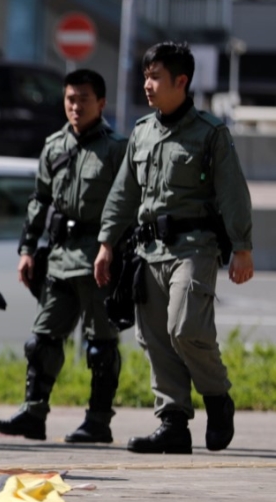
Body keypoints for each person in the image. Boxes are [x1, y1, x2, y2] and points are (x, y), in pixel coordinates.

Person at [94, 41, 254, 454]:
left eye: (155, 77)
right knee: (154, 338)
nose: (147, 85)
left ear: (181, 81)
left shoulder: (211, 133)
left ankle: (217, 398)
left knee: (186, 328)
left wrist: (242, 246)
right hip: (148, 252)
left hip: (195, 248)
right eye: (145, 76)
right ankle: (173, 423)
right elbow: (123, 193)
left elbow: (233, 192)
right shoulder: (142, 132)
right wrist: (106, 243)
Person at [0, 69, 128, 443]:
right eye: (70, 99)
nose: (75, 106)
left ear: (101, 103)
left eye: (84, 99)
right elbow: (40, 200)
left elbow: (128, 204)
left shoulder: (117, 149)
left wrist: (113, 248)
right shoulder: (54, 146)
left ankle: (98, 421)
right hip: (61, 258)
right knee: (42, 340)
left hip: (99, 260)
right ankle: (33, 414)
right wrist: (27, 250)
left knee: (100, 346)